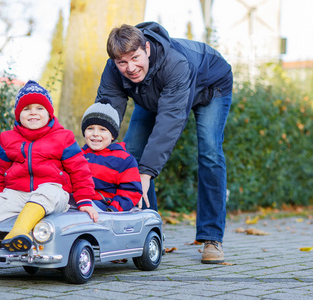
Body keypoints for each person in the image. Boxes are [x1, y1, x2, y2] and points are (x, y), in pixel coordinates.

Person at [95, 22, 233, 264]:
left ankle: (212, 238)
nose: (130, 68)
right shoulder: (114, 69)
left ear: (147, 48)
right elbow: (106, 116)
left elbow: (169, 122)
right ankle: (149, 234)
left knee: (209, 152)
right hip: (156, 95)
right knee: (130, 156)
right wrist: (93, 154)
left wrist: (147, 172)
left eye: (135, 58)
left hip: (211, 86)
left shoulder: (176, 63)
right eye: (122, 62)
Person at [0, 80, 98, 267]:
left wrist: (85, 201)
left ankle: (18, 233)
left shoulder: (63, 137)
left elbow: (79, 170)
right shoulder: (8, 139)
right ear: (18, 115)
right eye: (27, 109)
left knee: (48, 190)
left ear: (49, 114)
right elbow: (1, 170)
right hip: (18, 193)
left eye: (39, 108)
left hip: (54, 194)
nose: (33, 113)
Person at [81, 98, 142, 212]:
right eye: (90, 128)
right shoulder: (78, 155)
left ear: (112, 135)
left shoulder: (124, 160)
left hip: (102, 207)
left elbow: (131, 190)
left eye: (102, 129)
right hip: (77, 202)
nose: (95, 134)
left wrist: (113, 210)